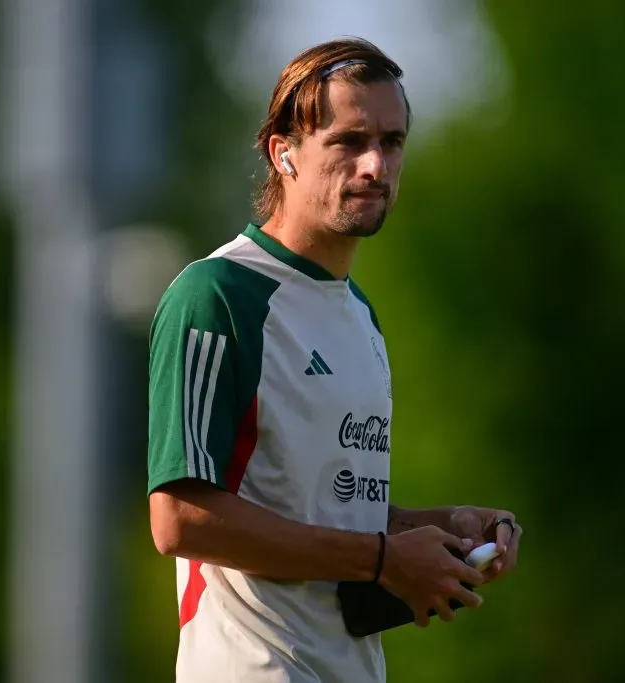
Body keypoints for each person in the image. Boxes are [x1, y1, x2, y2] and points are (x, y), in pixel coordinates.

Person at [147, 36, 521, 683]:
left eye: (392, 141)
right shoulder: (218, 294)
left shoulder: (360, 315)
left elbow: (325, 509)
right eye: (348, 141)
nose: (375, 164)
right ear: (283, 153)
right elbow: (180, 518)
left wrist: (445, 528)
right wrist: (382, 558)